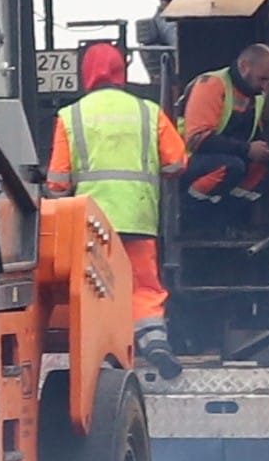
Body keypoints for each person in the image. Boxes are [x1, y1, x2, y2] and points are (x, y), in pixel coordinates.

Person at [46, 34, 173, 344]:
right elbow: (177, 163)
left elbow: (58, 182)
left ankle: (107, 347)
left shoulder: (71, 115)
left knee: (99, 284)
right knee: (143, 285)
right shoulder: (148, 111)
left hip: (93, 221)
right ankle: (154, 341)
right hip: (139, 216)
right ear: (121, 72)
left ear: (85, 73)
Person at [177, 40, 269, 218]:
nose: (266, 86)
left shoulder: (257, 96)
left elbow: (251, 135)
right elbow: (196, 140)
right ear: (244, 67)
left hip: (226, 159)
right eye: (262, 79)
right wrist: (247, 149)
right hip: (185, 162)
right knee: (233, 166)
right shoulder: (212, 84)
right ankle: (187, 210)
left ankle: (227, 217)